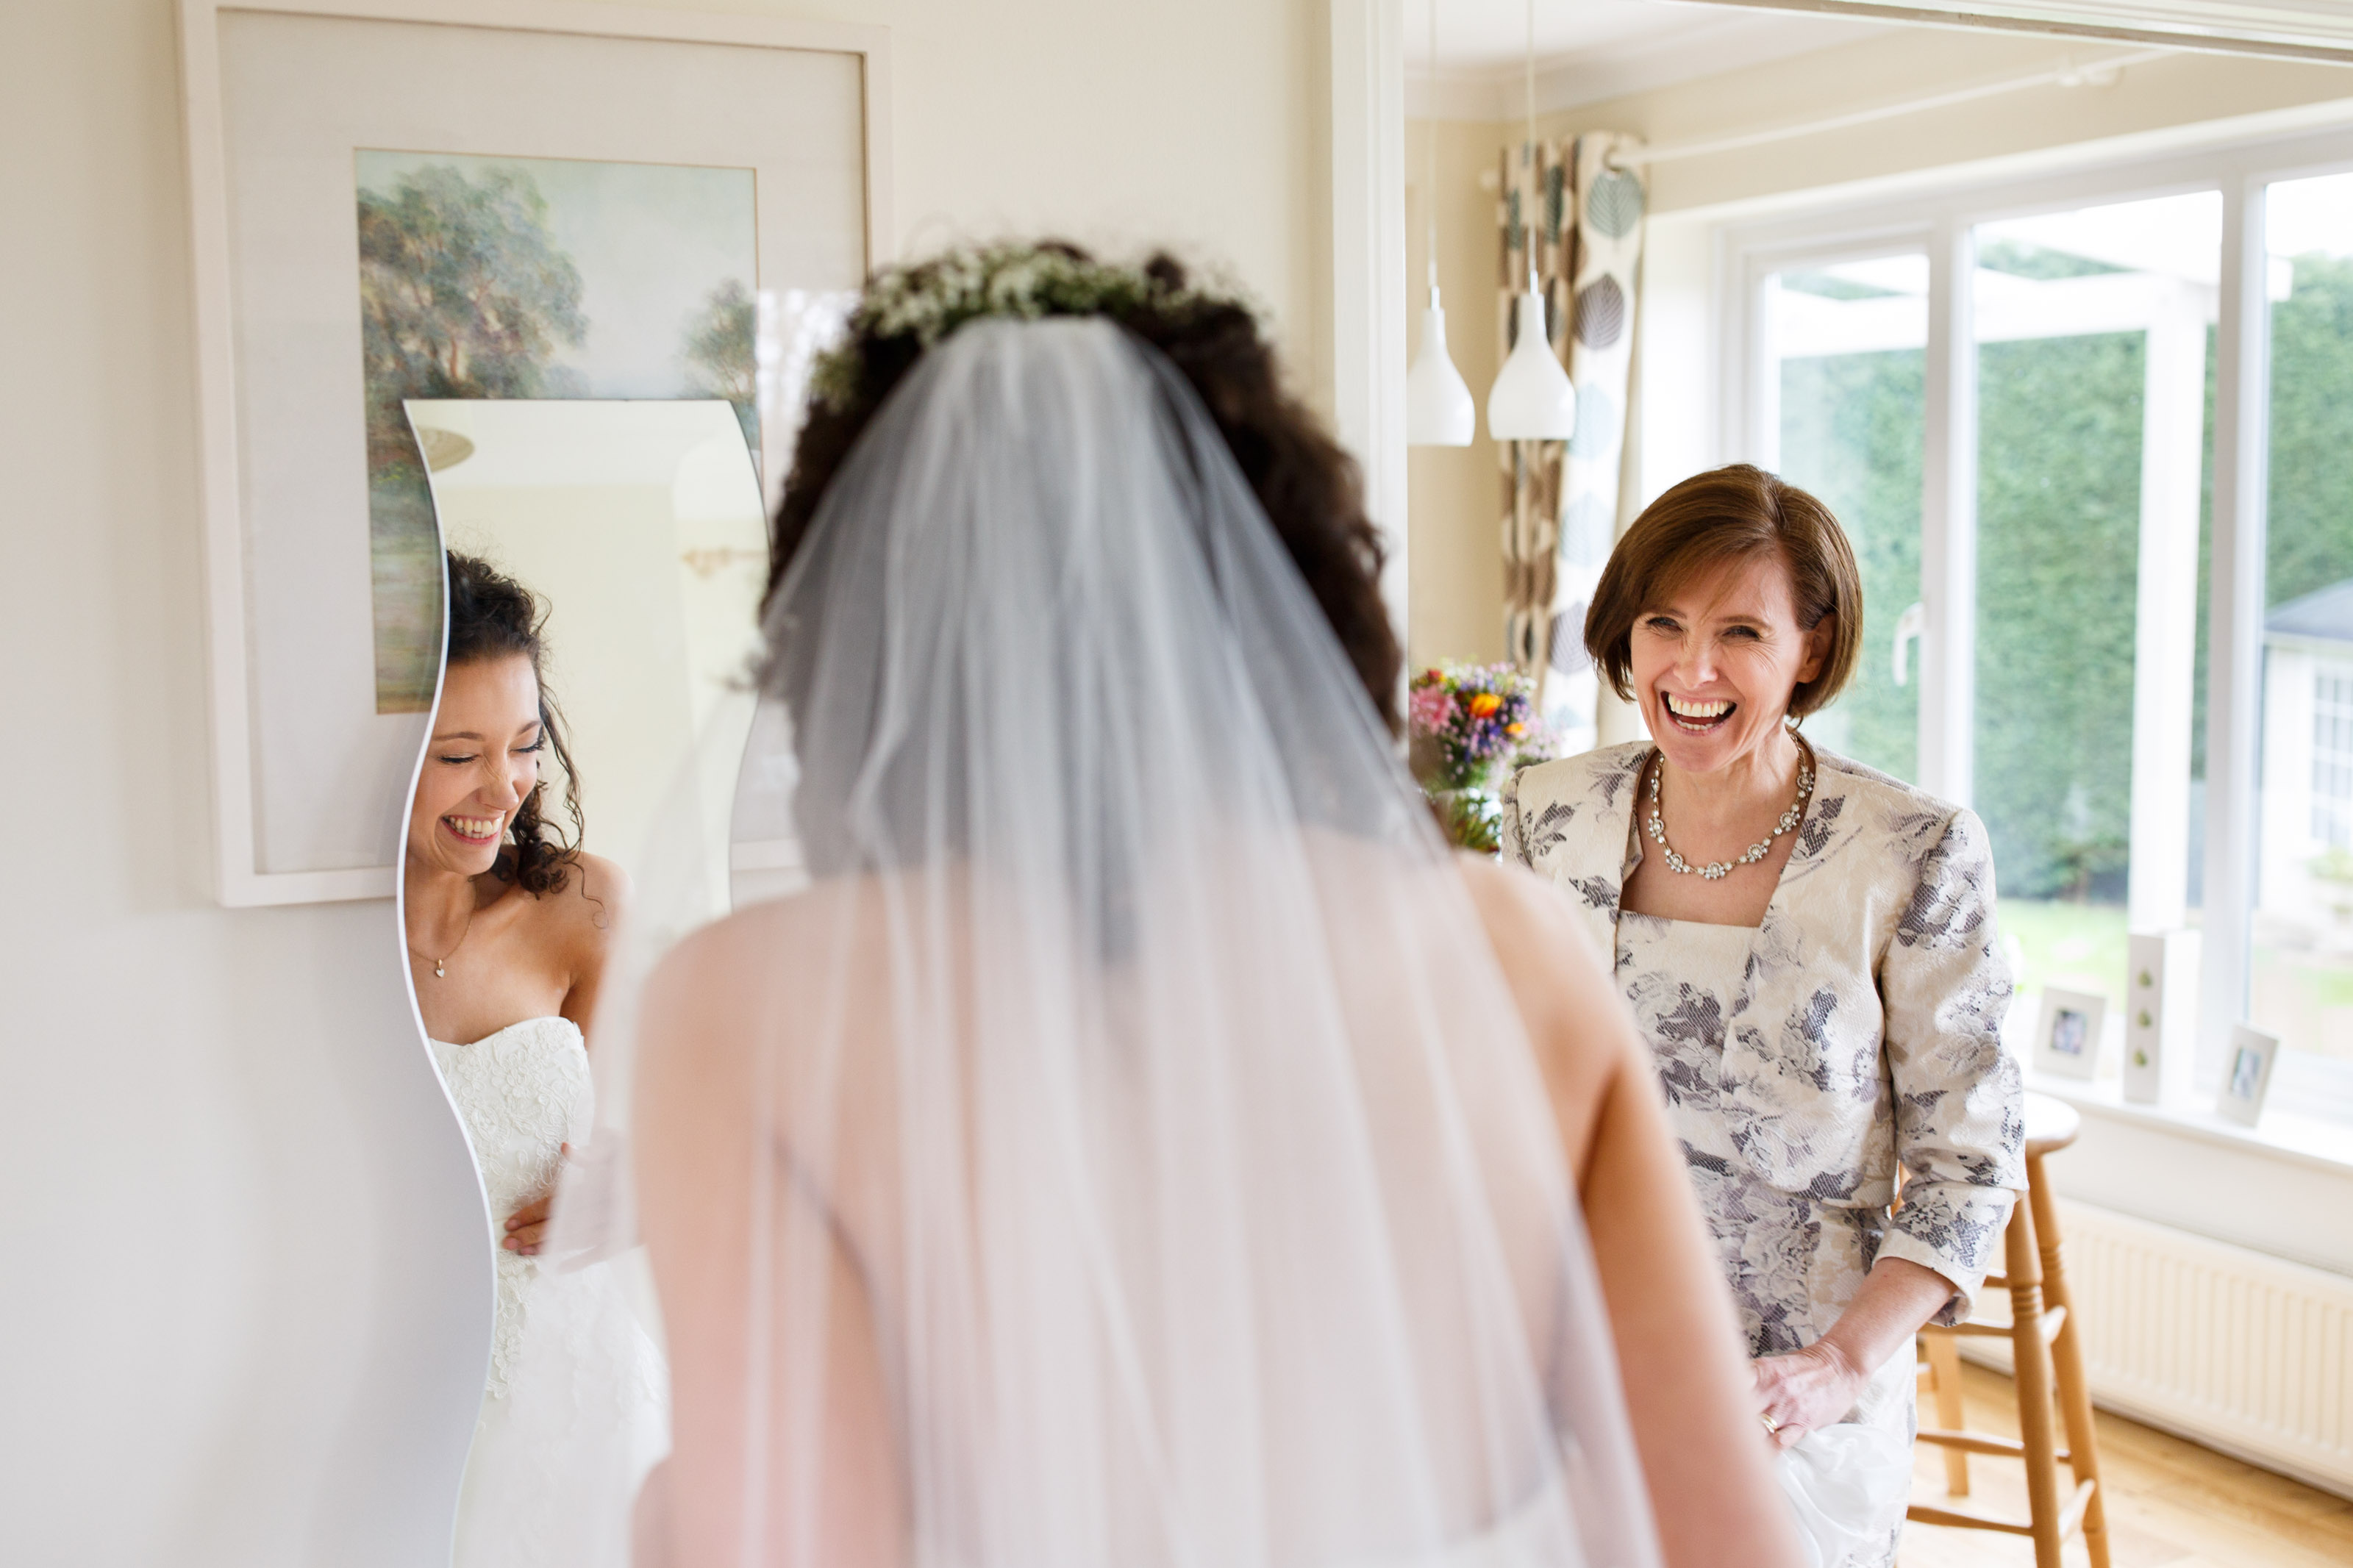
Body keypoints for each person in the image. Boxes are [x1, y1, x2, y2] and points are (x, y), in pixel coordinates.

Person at [559, 245, 1805, 1568]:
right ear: (1282, 585)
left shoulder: (747, 1012)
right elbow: (1730, 1546)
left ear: (864, 621)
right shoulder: (1513, 951)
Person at [1500, 465, 2025, 1567]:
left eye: (1741, 631)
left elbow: (1970, 1167)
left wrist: (1839, 1366)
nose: (1692, 670)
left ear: (1812, 651)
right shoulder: (1549, 815)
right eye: (1665, 624)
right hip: (1569, 1364)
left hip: (1795, 1398)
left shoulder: (1911, 850)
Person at [403, 553, 663, 1568]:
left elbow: (656, 1138)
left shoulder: (584, 909)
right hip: (399, 1408)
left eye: (525, 744)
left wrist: (640, 1192)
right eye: (457, 754)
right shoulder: (306, 939)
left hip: (581, 1403)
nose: (504, 787)